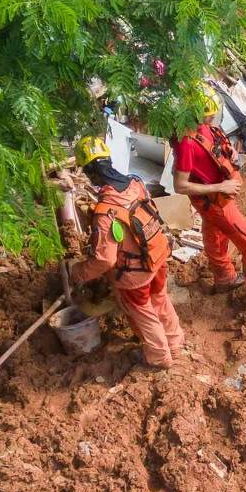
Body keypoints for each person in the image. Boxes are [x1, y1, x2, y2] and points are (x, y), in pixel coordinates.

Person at [69, 135, 184, 368]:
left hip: (134, 274)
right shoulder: (136, 184)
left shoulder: (106, 212)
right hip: (156, 255)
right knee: (160, 300)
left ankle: (160, 358)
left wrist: (78, 272)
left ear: (90, 172)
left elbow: (104, 259)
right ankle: (176, 344)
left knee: (144, 314)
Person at [167, 85, 246, 313]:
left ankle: (224, 278)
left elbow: (213, 148)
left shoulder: (203, 127)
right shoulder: (186, 143)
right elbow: (180, 185)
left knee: (215, 234)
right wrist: (221, 185)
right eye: (208, 113)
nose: (212, 117)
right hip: (215, 201)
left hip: (216, 199)